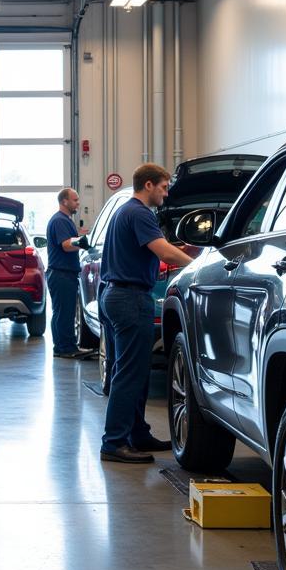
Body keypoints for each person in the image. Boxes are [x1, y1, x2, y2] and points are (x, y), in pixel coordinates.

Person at [99, 163, 193, 465]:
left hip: (116, 295)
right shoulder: (140, 213)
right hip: (130, 298)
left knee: (131, 372)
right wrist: (196, 265)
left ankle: (137, 434)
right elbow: (164, 253)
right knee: (129, 374)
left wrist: (182, 248)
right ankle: (114, 443)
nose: (166, 193)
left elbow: (158, 247)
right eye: (164, 187)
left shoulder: (124, 211)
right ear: (149, 185)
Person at [45, 187, 91, 359]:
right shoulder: (60, 220)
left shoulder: (63, 220)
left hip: (61, 274)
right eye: (75, 200)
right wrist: (84, 243)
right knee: (64, 313)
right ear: (64, 201)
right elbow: (66, 244)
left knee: (61, 312)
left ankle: (63, 346)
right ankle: (66, 348)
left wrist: (80, 236)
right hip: (62, 273)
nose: (78, 203)